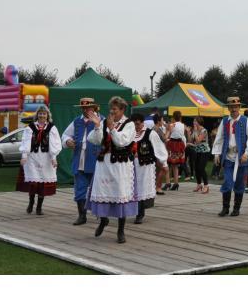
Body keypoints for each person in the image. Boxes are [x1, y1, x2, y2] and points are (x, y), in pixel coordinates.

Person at [86, 96, 137, 244]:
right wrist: (97, 126)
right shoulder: (105, 122)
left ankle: (121, 230)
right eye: (111, 109)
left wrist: (112, 129)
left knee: (120, 194)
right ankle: (103, 220)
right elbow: (93, 139)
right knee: (103, 192)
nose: (112, 111)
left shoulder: (129, 124)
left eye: (115, 109)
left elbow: (122, 141)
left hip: (120, 165)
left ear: (122, 109)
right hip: (104, 164)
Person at [61, 97, 104, 225]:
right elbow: (65, 135)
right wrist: (68, 141)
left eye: (88, 108)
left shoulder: (102, 120)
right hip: (79, 159)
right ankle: (82, 216)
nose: (85, 110)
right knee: (80, 188)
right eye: (83, 108)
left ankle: (102, 216)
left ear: (94, 108)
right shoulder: (76, 121)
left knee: (99, 189)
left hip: (96, 160)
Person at [212, 96, 248, 217]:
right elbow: (219, 138)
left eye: (236, 107)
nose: (234, 109)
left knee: (239, 183)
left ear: (239, 107)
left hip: (241, 157)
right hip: (228, 157)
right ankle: (225, 208)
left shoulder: (245, 120)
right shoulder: (225, 121)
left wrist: (247, 153)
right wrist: (217, 153)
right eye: (231, 107)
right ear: (228, 108)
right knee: (227, 181)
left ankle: (236, 208)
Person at [16, 105, 62, 215]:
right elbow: (26, 142)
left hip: (46, 158)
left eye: (44, 113)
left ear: (47, 115)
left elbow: (55, 144)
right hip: (32, 157)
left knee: (43, 183)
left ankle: (39, 207)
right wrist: (24, 156)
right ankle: (31, 202)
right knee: (33, 183)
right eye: (40, 113)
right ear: (37, 115)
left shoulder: (52, 128)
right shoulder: (30, 127)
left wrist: (54, 158)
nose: (42, 115)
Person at [130, 113, 168, 224]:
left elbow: (159, 148)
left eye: (138, 124)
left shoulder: (150, 133)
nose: (136, 126)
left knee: (142, 188)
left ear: (142, 122)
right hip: (131, 165)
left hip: (145, 166)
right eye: (134, 124)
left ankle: (140, 214)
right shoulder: (130, 134)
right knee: (132, 188)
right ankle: (132, 211)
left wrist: (164, 163)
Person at [187, 116, 210, 194]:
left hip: (205, 152)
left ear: (199, 122)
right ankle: (199, 184)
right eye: (193, 121)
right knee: (196, 168)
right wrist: (188, 132)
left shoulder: (204, 130)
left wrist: (195, 131)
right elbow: (190, 140)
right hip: (197, 151)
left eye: (195, 121)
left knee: (201, 168)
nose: (193, 122)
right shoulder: (195, 130)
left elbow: (198, 141)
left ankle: (206, 186)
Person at [164, 111, 186, 191]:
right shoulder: (183, 125)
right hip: (179, 144)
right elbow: (182, 135)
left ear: (173, 117)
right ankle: (176, 183)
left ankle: (168, 182)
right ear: (180, 117)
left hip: (172, 144)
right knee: (175, 165)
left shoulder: (172, 125)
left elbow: (166, 137)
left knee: (167, 163)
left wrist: (168, 130)